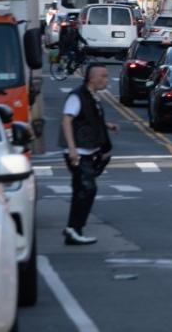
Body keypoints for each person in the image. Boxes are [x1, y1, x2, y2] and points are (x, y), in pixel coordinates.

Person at [59, 64, 118, 245]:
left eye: (107, 76)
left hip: (89, 149)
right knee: (87, 188)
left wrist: (107, 125)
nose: (106, 79)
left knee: (81, 189)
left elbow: (88, 117)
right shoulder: (77, 96)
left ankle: (73, 229)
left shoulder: (92, 96)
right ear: (91, 78)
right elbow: (66, 121)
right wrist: (72, 149)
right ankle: (74, 228)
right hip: (80, 152)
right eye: (103, 76)